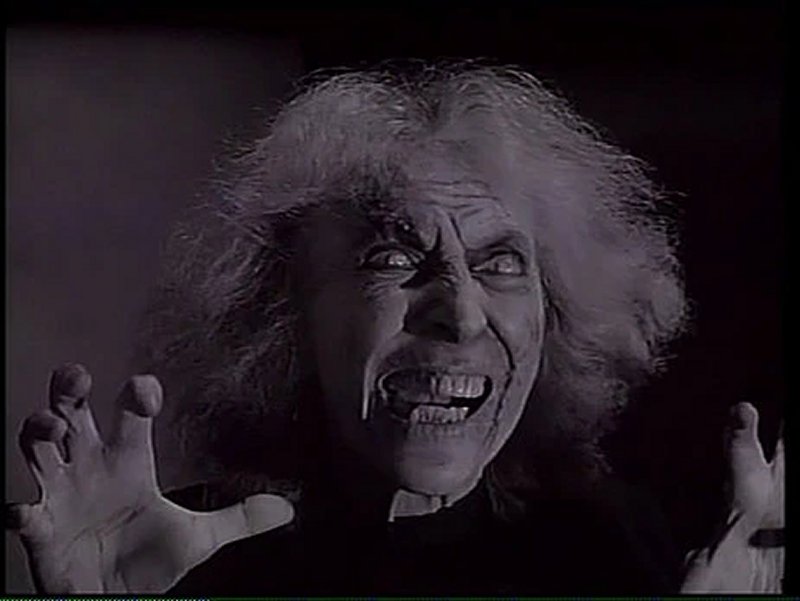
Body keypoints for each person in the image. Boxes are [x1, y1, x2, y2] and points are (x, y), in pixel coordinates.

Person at [7, 63, 784, 594]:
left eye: (502, 263)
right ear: (283, 313)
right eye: (392, 257)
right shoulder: (178, 558)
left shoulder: (618, 548)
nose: (463, 312)